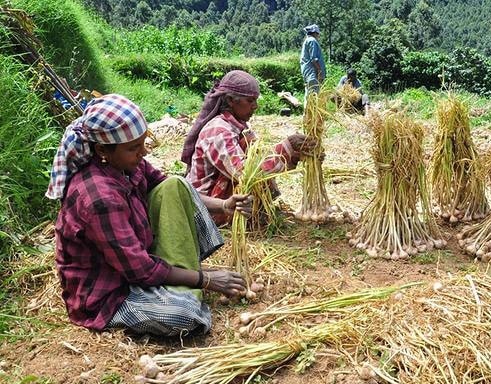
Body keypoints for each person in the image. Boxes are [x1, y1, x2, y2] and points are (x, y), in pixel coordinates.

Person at [46, 93, 249, 337]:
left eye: (143, 143)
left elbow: (166, 185)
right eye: (134, 148)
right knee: (183, 317)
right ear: (102, 149)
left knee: (176, 185)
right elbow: (140, 270)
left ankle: (182, 278)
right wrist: (206, 280)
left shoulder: (126, 164)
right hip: (111, 292)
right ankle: (184, 282)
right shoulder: (99, 198)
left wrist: (225, 205)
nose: (143, 152)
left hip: (137, 260)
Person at [181, 70, 317, 225]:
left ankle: (256, 211)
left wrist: (294, 153)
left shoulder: (239, 127)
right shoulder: (219, 131)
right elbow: (246, 173)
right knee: (251, 157)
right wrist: (286, 149)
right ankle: (237, 217)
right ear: (232, 100)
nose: (255, 106)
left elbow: (259, 157)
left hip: (217, 198)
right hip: (205, 208)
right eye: (250, 101)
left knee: (253, 146)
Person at [300, 24, 326, 100]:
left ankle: (307, 111)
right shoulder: (312, 41)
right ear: (315, 33)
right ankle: (312, 112)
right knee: (314, 96)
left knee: (309, 95)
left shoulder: (307, 40)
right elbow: (314, 59)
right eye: (318, 34)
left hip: (309, 74)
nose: (318, 36)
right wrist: (320, 71)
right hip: (313, 74)